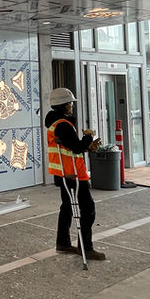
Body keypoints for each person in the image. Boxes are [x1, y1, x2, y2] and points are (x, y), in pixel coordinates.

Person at [45, 88, 105, 261]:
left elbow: (69, 147)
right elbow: (76, 147)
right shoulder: (63, 125)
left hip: (63, 173)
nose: (72, 106)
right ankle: (85, 247)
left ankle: (62, 243)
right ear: (64, 105)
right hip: (73, 174)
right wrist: (87, 139)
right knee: (88, 209)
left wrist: (86, 146)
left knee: (67, 207)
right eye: (70, 103)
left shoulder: (54, 123)